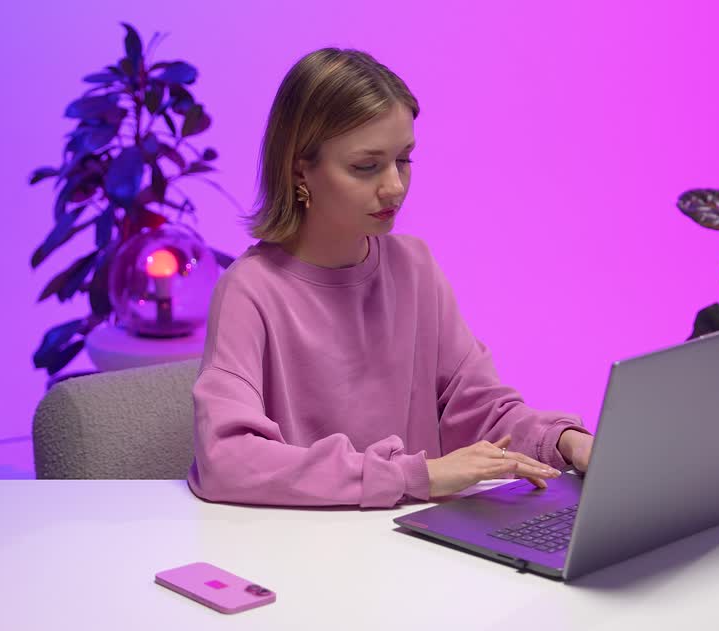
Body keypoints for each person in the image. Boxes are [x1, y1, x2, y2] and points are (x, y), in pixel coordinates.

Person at [188, 48, 594, 509]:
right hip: (304, 552)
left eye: (404, 160)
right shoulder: (250, 290)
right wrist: (413, 475)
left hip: (412, 548)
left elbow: (477, 406)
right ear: (300, 168)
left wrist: (565, 441)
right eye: (366, 166)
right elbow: (227, 460)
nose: (395, 187)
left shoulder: (414, 267)